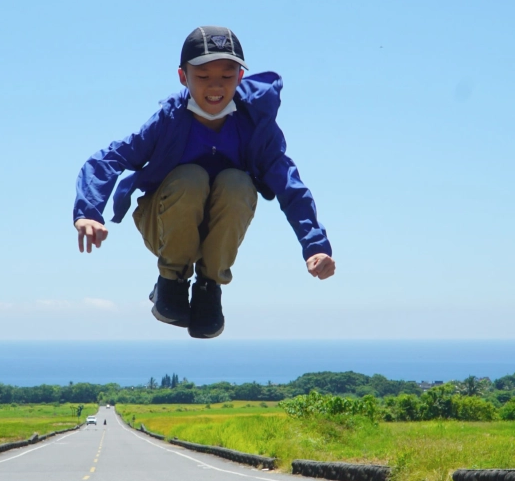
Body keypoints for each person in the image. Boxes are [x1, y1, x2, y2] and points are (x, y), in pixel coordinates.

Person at [74, 26, 335, 339]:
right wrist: (88, 211)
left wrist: (314, 246)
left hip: (217, 234)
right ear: (183, 77)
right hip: (164, 225)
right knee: (191, 177)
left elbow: (290, 187)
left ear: (239, 77)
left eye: (226, 76)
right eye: (203, 76)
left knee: (238, 183)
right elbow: (108, 158)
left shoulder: (254, 126)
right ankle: (170, 282)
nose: (215, 86)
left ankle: (209, 287)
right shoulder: (170, 120)